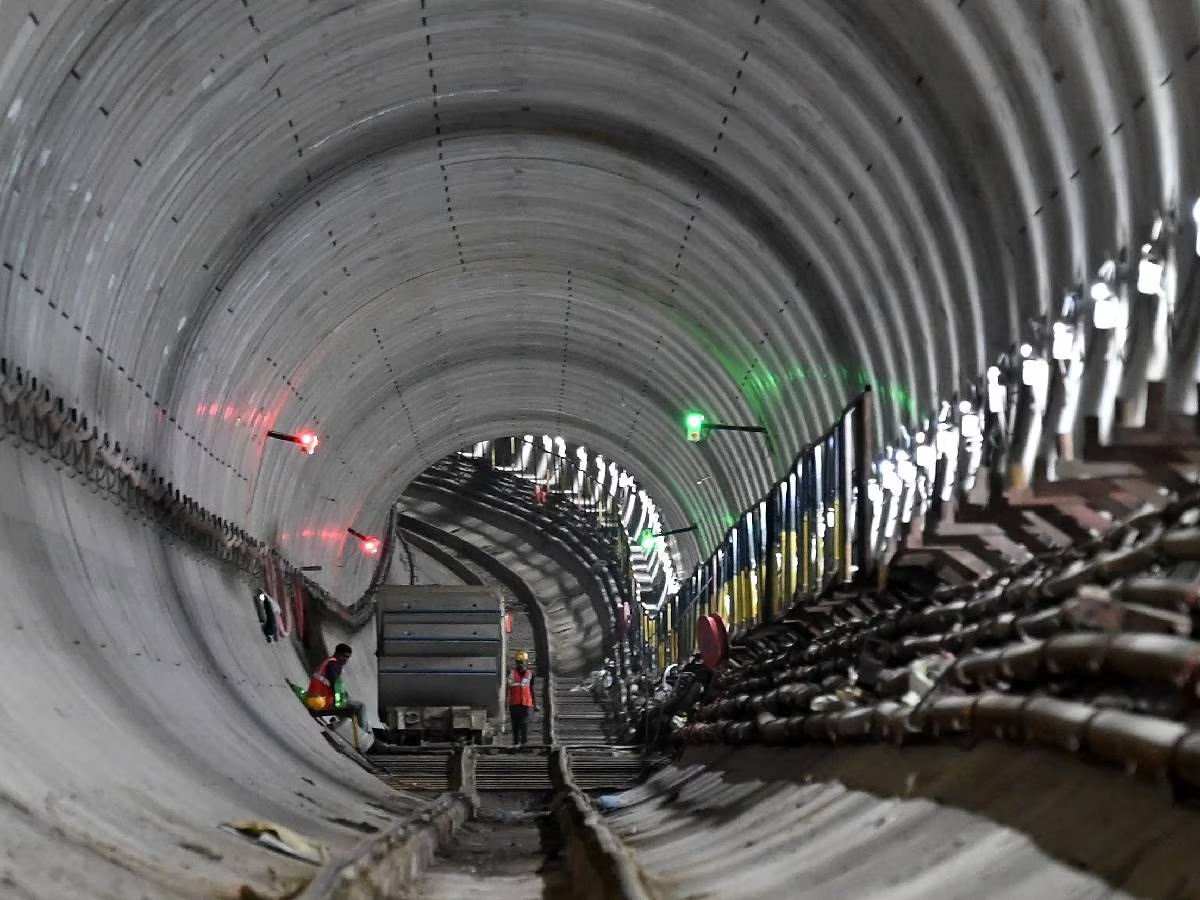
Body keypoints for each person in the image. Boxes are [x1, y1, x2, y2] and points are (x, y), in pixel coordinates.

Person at [306, 643, 367, 729]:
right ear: (337, 654)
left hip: (315, 702)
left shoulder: (328, 662)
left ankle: (341, 729)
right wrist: (346, 699)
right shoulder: (333, 665)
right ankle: (363, 733)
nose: (346, 660)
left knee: (350, 709)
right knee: (361, 706)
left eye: (348, 657)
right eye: (344, 656)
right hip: (320, 703)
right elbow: (335, 684)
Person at [508, 650, 538, 746]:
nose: (520, 664)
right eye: (518, 662)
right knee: (515, 725)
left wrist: (535, 704)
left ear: (526, 662)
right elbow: (506, 689)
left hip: (525, 703)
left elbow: (532, 689)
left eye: (522, 662)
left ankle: (524, 743)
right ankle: (516, 743)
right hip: (514, 703)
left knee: (524, 723)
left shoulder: (530, 674)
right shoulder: (511, 673)